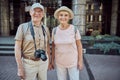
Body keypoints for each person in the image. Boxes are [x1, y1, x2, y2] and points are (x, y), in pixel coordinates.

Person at [14, 3, 51, 80]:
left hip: (43, 63)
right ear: (30, 12)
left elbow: (47, 46)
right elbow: (17, 48)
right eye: (35, 11)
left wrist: (49, 61)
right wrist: (20, 68)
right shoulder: (22, 27)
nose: (37, 13)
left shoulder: (46, 28)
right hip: (28, 64)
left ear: (43, 14)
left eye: (40, 11)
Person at [51, 6, 83, 80]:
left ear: (69, 17)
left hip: (73, 63)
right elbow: (53, 47)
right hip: (59, 63)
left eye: (66, 15)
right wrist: (52, 60)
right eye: (61, 15)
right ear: (58, 17)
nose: (63, 17)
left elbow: (79, 46)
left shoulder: (74, 29)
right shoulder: (54, 30)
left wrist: (80, 61)